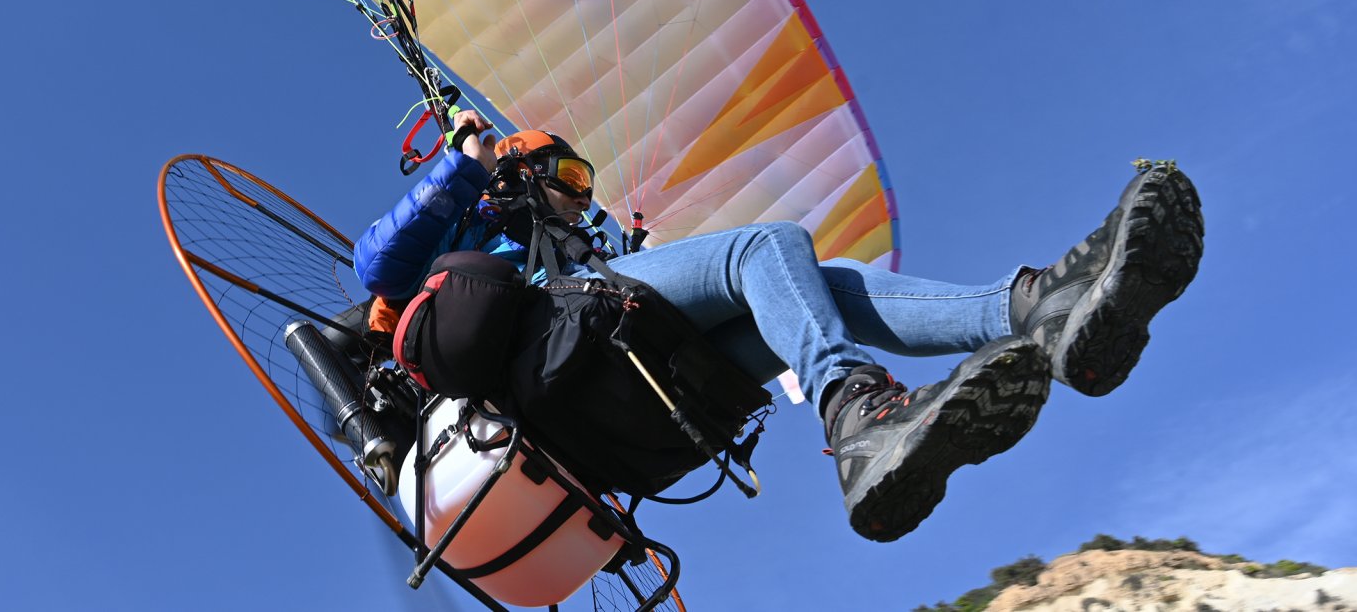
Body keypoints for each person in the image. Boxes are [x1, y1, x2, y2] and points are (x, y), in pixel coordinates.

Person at [353, 111, 1204, 542]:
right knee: (768, 245)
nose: (583, 193)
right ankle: (856, 411)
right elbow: (376, 265)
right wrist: (462, 169)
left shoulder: (579, 239)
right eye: (569, 174)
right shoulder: (475, 224)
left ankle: (1038, 310)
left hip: (626, 396)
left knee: (820, 288)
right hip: (560, 354)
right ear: (521, 169)